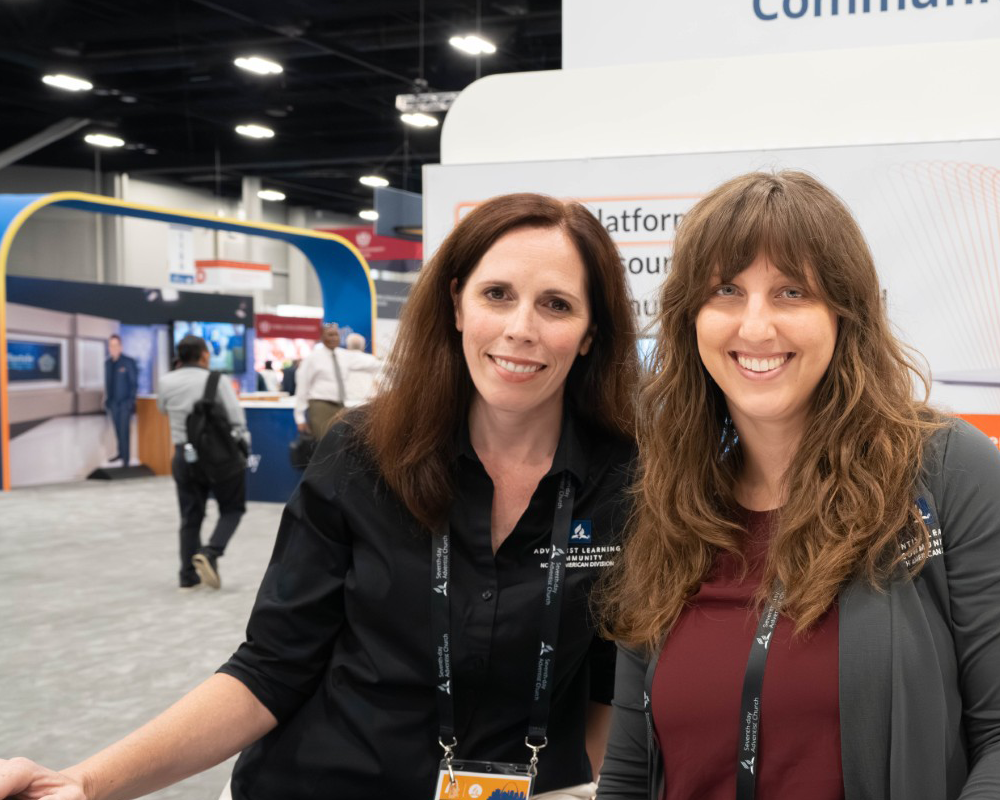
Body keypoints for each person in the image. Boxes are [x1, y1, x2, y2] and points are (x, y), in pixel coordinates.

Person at [0, 192, 640, 800]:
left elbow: (613, 690)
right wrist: (86, 782)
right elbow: (271, 667)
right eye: (496, 295)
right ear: (455, 305)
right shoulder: (363, 452)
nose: (520, 328)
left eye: (556, 305)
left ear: (589, 332)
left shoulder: (628, 481)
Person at [596, 171, 1000, 800]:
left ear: (846, 312)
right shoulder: (672, 500)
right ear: (689, 317)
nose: (755, 327)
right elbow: (626, 772)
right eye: (727, 290)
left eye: (790, 292)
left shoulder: (945, 470)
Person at [155, 335, 249, 591]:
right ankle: (211, 552)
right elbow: (236, 419)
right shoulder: (216, 380)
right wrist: (245, 449)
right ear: (205, 355)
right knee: (232, 509)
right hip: (219, 457)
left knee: (190, 516)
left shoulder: (165, 381)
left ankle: (187, 575)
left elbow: (162, 410)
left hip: (183, 457)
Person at [292, 322, 347, 438]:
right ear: (322, 337)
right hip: (320, 406)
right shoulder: (312, 358)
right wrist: (299, 417)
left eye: (336, 335)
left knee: (339, 444)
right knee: (323, 443)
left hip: (341, 406)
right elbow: (302, 386)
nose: (334, 338)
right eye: (330, 335)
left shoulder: (343, 356)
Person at [104, 333, 138, 465]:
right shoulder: (107, 363)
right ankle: (120, 453)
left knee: (125, 432)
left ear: (121, 346)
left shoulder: (128, 362)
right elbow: (108, 383)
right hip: (112, 403)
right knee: (117, 430)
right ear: (109, 347)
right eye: (111, 345)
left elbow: (134, 384)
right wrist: (107, 400)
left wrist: (131, 401)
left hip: (125, 404)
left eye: (116, 345)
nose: (113, 348)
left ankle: (126, 460)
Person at [340, 332, 382, 407]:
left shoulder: (340, 360)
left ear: (348, 346)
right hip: (366, 402)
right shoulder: (372, 360)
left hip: (345, 402)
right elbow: (379, 381)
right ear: (363, 346)